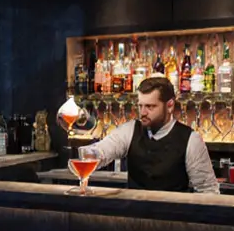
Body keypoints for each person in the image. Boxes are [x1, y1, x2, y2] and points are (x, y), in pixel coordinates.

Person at [87, 77, 220, 194]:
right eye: (140, 106)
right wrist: (90, 155)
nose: (143, 112)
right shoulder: (130, 130)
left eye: (150, 106)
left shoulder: (191, 140)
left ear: (169, 106)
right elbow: (102, 150)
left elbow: (208, 191)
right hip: (135, 218)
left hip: (173, 218)